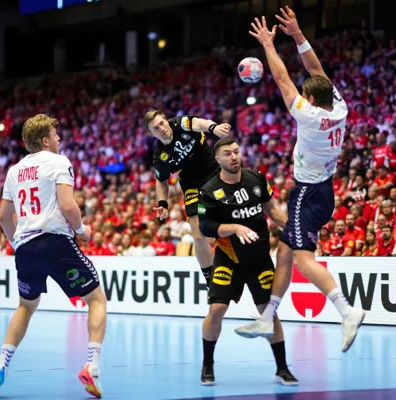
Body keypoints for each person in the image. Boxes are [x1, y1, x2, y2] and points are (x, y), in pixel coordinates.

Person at [234, 7, 365, 351]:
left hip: (307, 193)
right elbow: (317, 71)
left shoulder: (309, 116)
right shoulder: (339, 106)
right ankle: (267, 317)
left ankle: (347, 311)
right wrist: (298, 36)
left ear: (311, 100)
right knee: (285, 252)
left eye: (306, 95)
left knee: (304, 259)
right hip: (323, 190)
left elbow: (282, 80)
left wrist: (268, 44)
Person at [0, 114, 107, 398]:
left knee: (25, 306)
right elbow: (68, 205)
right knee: (96, 299)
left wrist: (18, 243)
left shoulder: (14, 171)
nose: (58, 137)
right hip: (55, 241)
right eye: (55, 133)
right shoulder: (59, 162)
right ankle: (93, 366)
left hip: (25, 247)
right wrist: (82, 230)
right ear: (45, 140)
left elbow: (4, 217)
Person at [197, 137, 298, 386]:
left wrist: (297, 229)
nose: (233, 157)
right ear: (217, 159)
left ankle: (282, 369)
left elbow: (272, 210)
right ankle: (207, 364)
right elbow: (205, 227)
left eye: (236, 151)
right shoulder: (209, 189)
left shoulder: (257, 179)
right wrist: (234, 228)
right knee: (216, 310)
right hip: (229, 259)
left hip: (259, 258)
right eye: (227, 153)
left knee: (268, 312)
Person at [144, 110, 231, 288]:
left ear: (166, 120)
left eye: (162, 123)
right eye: (155, 128)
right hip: (192, 186)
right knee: (197, 235)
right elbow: (161, 181)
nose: (161, 128)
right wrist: (162, 204)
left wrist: (214, 128)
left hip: (215, 173)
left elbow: (199, 123)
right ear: (151, 134)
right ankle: (212, 282)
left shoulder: (180, 123)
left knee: (232, 216)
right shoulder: (160, 156)